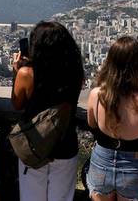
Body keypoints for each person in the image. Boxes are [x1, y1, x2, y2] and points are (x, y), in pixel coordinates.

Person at [11, 21, 84, 201]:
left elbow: (16, 104)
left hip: (34, 144)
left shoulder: (27, 74)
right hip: (65, 144)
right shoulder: (75, 72)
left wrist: (17, 71)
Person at [86, 36, 138, 201]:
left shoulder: (96, 95)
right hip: (134, 167)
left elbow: (91, 123)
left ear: (110, 63)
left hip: (101, 163)